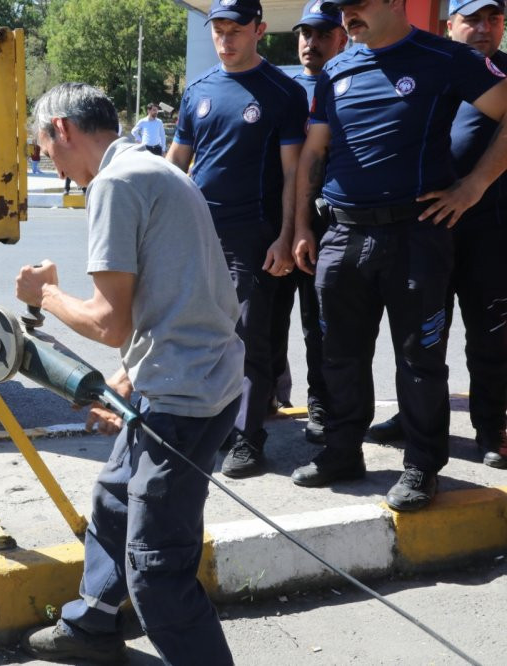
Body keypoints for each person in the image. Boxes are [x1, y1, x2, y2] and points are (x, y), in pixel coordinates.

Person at [16, 82, 243, 665]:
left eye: (43, 149)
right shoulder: (155, 169)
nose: (49, 164)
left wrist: (46, 293)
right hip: (193, 378)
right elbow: (176, 297)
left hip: (182, 397)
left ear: (62, 130)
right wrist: (126, 380)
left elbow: (109, 321)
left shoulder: (115, 184)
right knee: (115, 497)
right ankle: (91, 624)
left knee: (157, 574)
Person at [290, 0, 507, 510]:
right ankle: (342, 451)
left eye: (359, 4)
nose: (348, 16)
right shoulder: (338, 67)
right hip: (342, 235)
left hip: (415, 236)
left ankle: (421, 466)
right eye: (343, 7)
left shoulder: (444, 58)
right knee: (338, 355)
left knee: (419, 360)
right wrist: (301, 225)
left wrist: (474, 186)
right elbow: (314, 152)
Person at [168, 0, 309, 478]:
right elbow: (176, 164)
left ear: (260, 31)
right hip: (198, 232)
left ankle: (248, 439)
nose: (225, 41)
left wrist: (287, 236)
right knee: (198, 331)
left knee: (248, 338)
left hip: (254, 236)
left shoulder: (283, 92)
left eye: (235, 31)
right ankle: (208, 426)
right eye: (218, 31)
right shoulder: (199, 90)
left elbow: (294, 174)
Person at [364, 0, 507, 470]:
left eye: (494, 18)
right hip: (427, 226)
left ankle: (490, 428)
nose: (484, 28)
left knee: (490, 337)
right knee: (420, 336)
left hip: (490, 228)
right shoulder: (435, 66)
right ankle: (413, 419)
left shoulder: (498, 77)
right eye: (472, 19)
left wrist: (473, 188)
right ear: (450, 25)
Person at [268, 0, 348, 443]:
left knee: (319, 324)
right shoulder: (281, 86)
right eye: (305, 33)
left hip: (328, 224)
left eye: (321, 34)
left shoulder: (350, 82)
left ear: (341, 37)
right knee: (268, 317)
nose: (311, 43)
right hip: (279, 222)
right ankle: (268, 395)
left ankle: (322, 404)